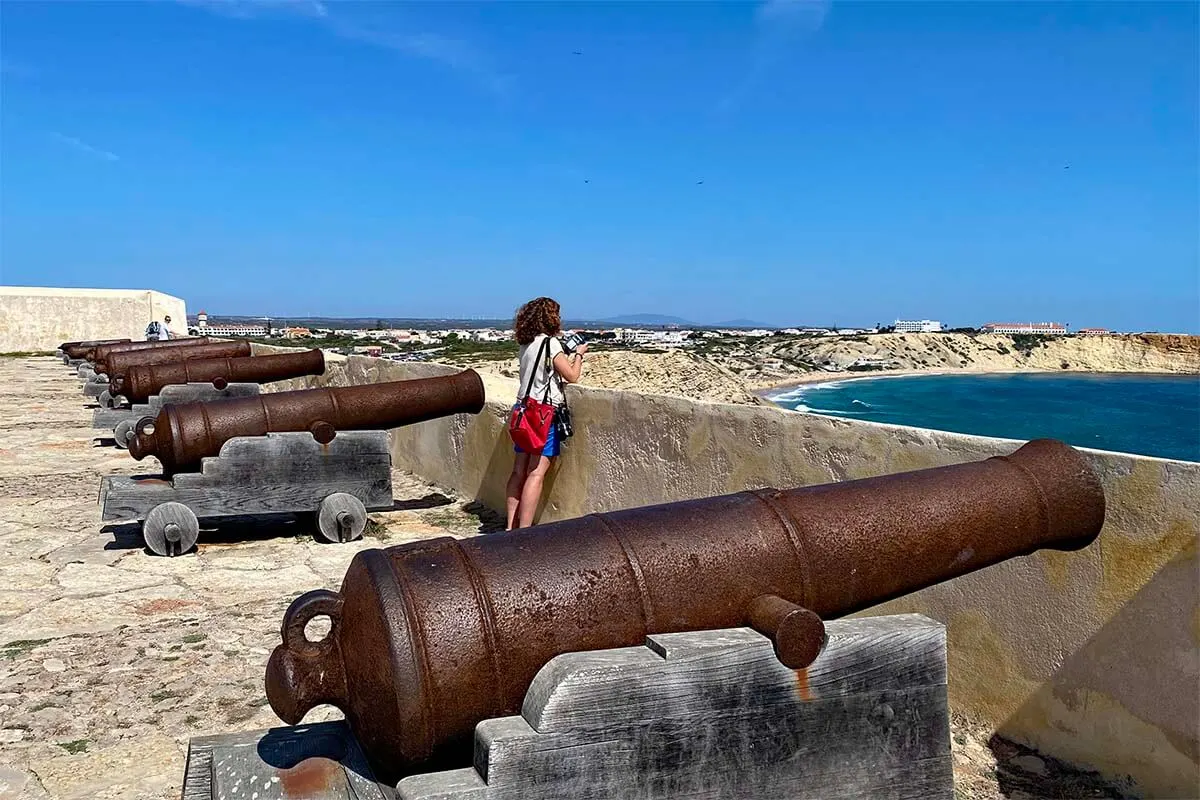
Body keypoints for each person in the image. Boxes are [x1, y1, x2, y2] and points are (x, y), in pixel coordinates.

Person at [505, 297, 586, 530]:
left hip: (522, 411)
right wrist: (579, 354)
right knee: (535, 473)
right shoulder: (550, 344)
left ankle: (510, 527)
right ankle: (525, 530)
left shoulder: (525, 343)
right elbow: (571, 375)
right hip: (542, 414)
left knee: (518, 470)